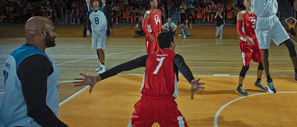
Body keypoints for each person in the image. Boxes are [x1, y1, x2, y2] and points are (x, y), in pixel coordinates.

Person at [74, 32, 204, 127]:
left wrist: (99, 77)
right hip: (165, 105)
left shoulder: (148, 57)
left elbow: (123, 67)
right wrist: (191, 80)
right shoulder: (175, 56)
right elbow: (182, 66)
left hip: (145, 105)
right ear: (172, 44)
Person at [0, 16, 68, 126]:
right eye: (52, 31)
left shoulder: (18, 53)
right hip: (25, 123)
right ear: (41, 33)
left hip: (11, 120)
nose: (55, 34)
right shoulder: (35, 60)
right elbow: (37, 110)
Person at [235, 0, 269, 96]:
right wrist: (246, 38)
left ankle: (258, 81)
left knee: (262, 62)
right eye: (247, 0)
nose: (249, 0)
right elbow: (238, 30)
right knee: (246, 66)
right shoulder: (241, 14)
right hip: (246, 43)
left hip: (256, 41)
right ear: (244, 3)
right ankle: (239, 86)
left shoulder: (257, 14)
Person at [89, 0, 108, 74]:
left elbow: (104, 22)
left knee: (100, 48)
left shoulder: (102, 10)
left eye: (97, 1)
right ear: (92, 4)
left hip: (102, 32)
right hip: (95, 32)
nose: (96, 3)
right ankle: (101, 64)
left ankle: (103, 65)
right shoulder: (90, 12)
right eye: (94, 2)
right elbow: (90, 22)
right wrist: (90, 30)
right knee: (97, 48)